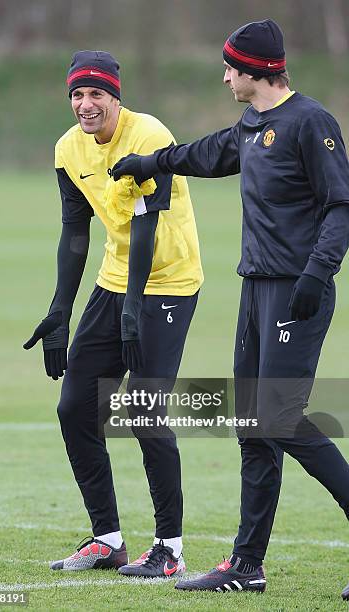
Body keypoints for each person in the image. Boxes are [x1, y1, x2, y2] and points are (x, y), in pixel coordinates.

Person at [112, 20, 349, 598]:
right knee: (254, 425)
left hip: (299, 290)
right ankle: (248, 565)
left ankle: (249, 560)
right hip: (256, 291)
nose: (224, 77)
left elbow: (342, 205)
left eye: (230, 68)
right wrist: (156, 163)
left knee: (280, 418)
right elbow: (214, 152)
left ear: (256, 72)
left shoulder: (311, 122)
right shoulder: (253, 124)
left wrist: (318, 274)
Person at [23, 50, 203, 577]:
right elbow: (75, 231)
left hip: (168, 283)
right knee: (75, 405)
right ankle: (107, 539)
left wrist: (132, 314)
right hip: (114, 281)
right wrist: (60, 310)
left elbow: (147, 223)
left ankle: (169, 549)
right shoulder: (66, 149)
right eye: (77, 94)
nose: (85, 104)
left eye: (95, 93)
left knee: (145, 411)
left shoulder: (149, 136)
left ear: (115, 96)